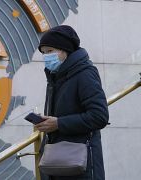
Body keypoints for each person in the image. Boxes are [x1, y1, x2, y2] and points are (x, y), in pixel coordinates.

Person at [36, 25, 109, 180]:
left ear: (65, 50)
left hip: (81, 166)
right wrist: (47, 123)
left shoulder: (84, 73)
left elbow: (99, 116)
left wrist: (59, 123)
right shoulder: (55, 77)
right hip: (58, 164)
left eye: (50, 51)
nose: (46, 56)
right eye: (43, 52)